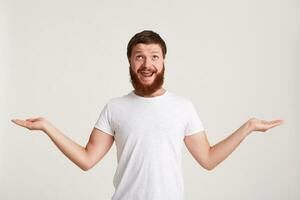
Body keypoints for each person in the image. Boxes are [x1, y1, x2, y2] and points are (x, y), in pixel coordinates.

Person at [11, 30, 284, 200]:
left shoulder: (183, 107)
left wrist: (247, 127)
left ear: (163, 62)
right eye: (139, 56)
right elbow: (87, 159)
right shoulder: (114, 107)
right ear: (130, 62)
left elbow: (208, 159)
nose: (147, 63)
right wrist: (47, 127)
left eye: (154, 56)